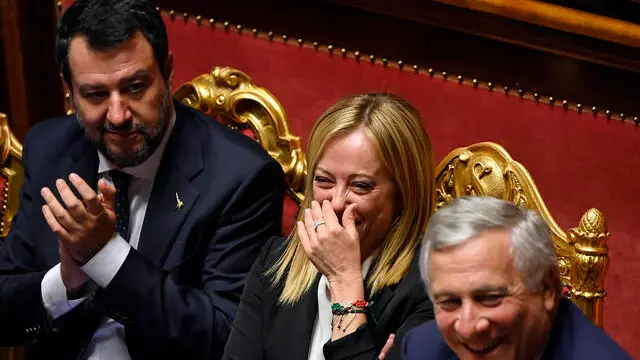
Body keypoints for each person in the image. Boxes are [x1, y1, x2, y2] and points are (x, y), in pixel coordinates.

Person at [0, 0, 285, 359]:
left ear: (167, 72)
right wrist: (67, 281)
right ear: (68, 89)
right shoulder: (50, 149)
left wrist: (106, 256)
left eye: (135, 87)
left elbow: (225, 337)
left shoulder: (240, 178)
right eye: (95, 95)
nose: (118, 116)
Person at [223, 93, 435, 360]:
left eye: (361, 186)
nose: (335, 203)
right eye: (324, 181)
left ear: (404, 195)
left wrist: (344, 281)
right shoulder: (275, 263)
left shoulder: (433, 291)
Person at [402, 196, 631, 360]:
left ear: (547, 289)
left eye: (490, 298)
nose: (468, 327)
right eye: (449, 302)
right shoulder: (422, 349)